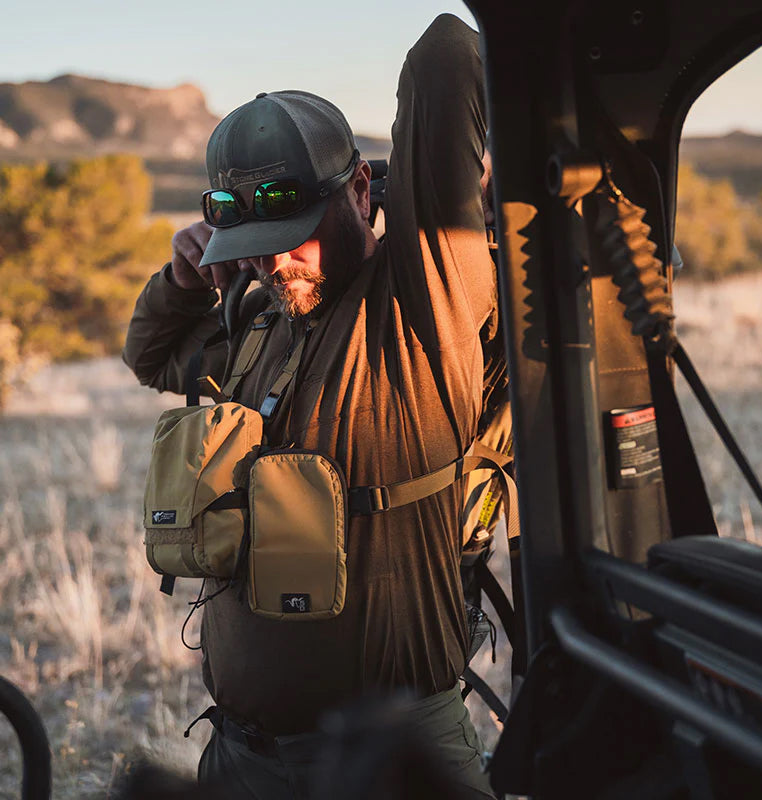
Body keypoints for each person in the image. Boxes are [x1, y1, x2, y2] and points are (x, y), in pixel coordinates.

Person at [124, 13, 496, 800]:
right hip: (244, 756)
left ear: (358, 190)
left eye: (296, 231)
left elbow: (446, 50)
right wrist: (185, 280)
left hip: (394, 762)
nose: (275, 258)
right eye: (254, 242)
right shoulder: (264, 323)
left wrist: (400, 187)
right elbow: (152, 358)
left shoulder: (419, 307)